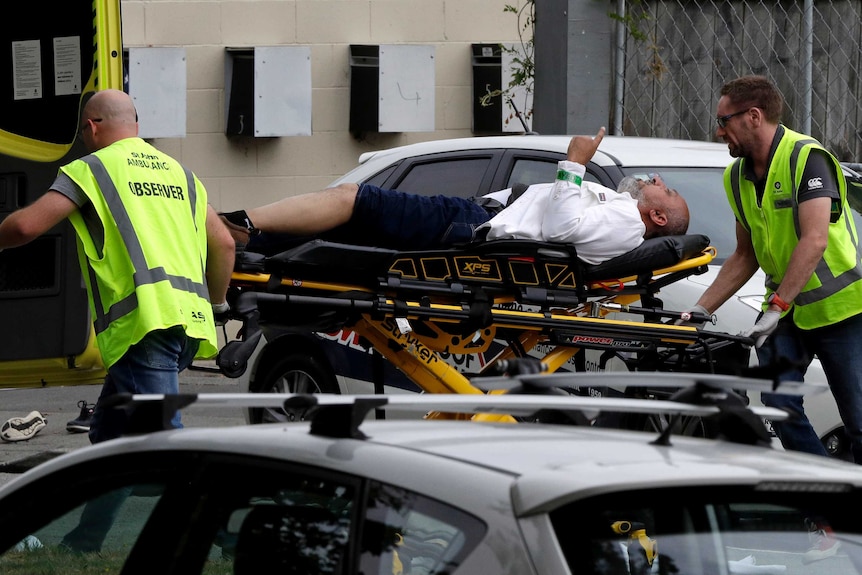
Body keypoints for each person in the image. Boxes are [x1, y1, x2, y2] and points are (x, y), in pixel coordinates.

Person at [0, 89, 236, 551]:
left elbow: (27, 226)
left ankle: (229, 539)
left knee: (166, 447)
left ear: (91, 127)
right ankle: (84, 543)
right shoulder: (181, 174)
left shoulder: (92, 169)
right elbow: (224, 244)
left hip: (144, 328)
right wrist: (217, 305)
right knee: (110, 437)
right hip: (185, 326)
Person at [680, 76, 862, 466]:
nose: (718, 131)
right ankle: (826, 503)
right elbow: (745, 255)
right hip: (786, 311)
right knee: (780, 408)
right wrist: (700, 309)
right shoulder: (736, 176)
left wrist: (776, 307)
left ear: (753, 116)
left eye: (724, 121)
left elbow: (814, 241)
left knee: (858, 421)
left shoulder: (806, 158)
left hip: (841, 310)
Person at [221, 127, 690, 265]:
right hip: (477, 217)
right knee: (343, 227)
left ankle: (235, 223)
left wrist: (573, 162)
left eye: (662, 188)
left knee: (352, 198)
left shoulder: (628, 221)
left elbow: (562, 229)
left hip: (474, 226)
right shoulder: (621, 209)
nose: (652, 179)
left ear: (659, 218)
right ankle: (246, 244)